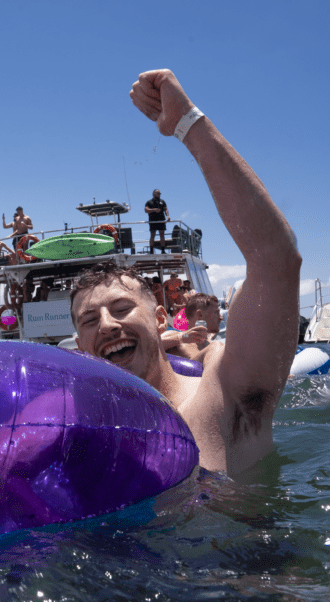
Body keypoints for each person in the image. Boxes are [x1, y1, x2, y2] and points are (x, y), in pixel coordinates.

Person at [71, 69, 301, 477]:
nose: (106, 325)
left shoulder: (223, 395)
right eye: (90, 320)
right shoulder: (75, 429)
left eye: (121, 308)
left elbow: (275, 260)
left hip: (251, 543)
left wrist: (188, 125)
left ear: (160, 319)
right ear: (79, 344)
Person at [161, 293, 224, 364]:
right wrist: (181, 338)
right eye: (216, 312)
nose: (221, 317)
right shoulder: (177, 337)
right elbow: (148, 347)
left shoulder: (210, 344)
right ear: (200, 315)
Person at [144, 189, 169, 253]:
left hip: (161, 220)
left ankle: (163, 250)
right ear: (154, 194)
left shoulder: (162, 201)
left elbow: (166, 209)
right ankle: (151, 250)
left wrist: (167, 216)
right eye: (158, 193)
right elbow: (146, 210)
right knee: (152, 234)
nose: (159, 194)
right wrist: (154, 210)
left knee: (162, 234)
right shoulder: (149, 202)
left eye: (160, 193)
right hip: (153, 221)